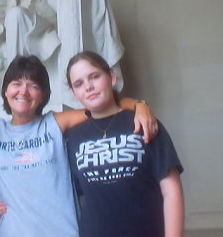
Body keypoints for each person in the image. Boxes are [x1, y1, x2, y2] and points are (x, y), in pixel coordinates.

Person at [0, 55, 157, 237]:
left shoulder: (57, 123)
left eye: (33, 85)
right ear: (6, 91)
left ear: (43, 94)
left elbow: (101, 107)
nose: (24, 91)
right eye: (16, 83)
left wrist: (139, 104)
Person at [65, 51, 184, 237]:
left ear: (111, 77)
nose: (88, 87)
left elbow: (171, 190)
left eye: (94, 77)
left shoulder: (145, 122)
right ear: (74, 94)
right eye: (79, 84)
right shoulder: (73, 137)